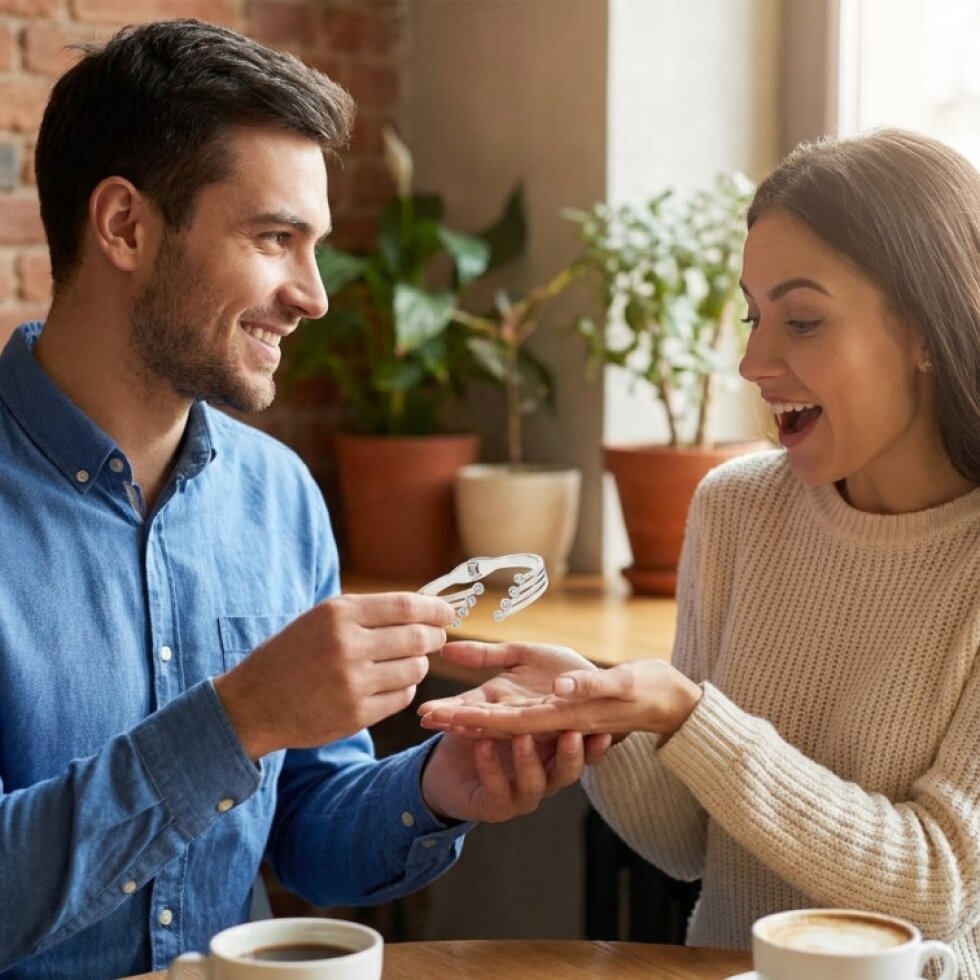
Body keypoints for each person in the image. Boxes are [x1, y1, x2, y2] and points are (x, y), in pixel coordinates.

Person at [0, 20, 609, 980]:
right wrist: (237, 719)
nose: (314, 295)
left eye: (312, 246)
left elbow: (307, 827)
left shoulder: (277, 496)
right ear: (124, 226)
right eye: (275, 238)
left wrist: (437, 789)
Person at [419, 129, 980, 973]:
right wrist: (601, 713)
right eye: (754, 317)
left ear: (926, 330)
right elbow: (687, 843)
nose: (754, 362)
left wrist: (690, 716)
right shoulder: (738, 508)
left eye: (802, 320)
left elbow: (936, 885)